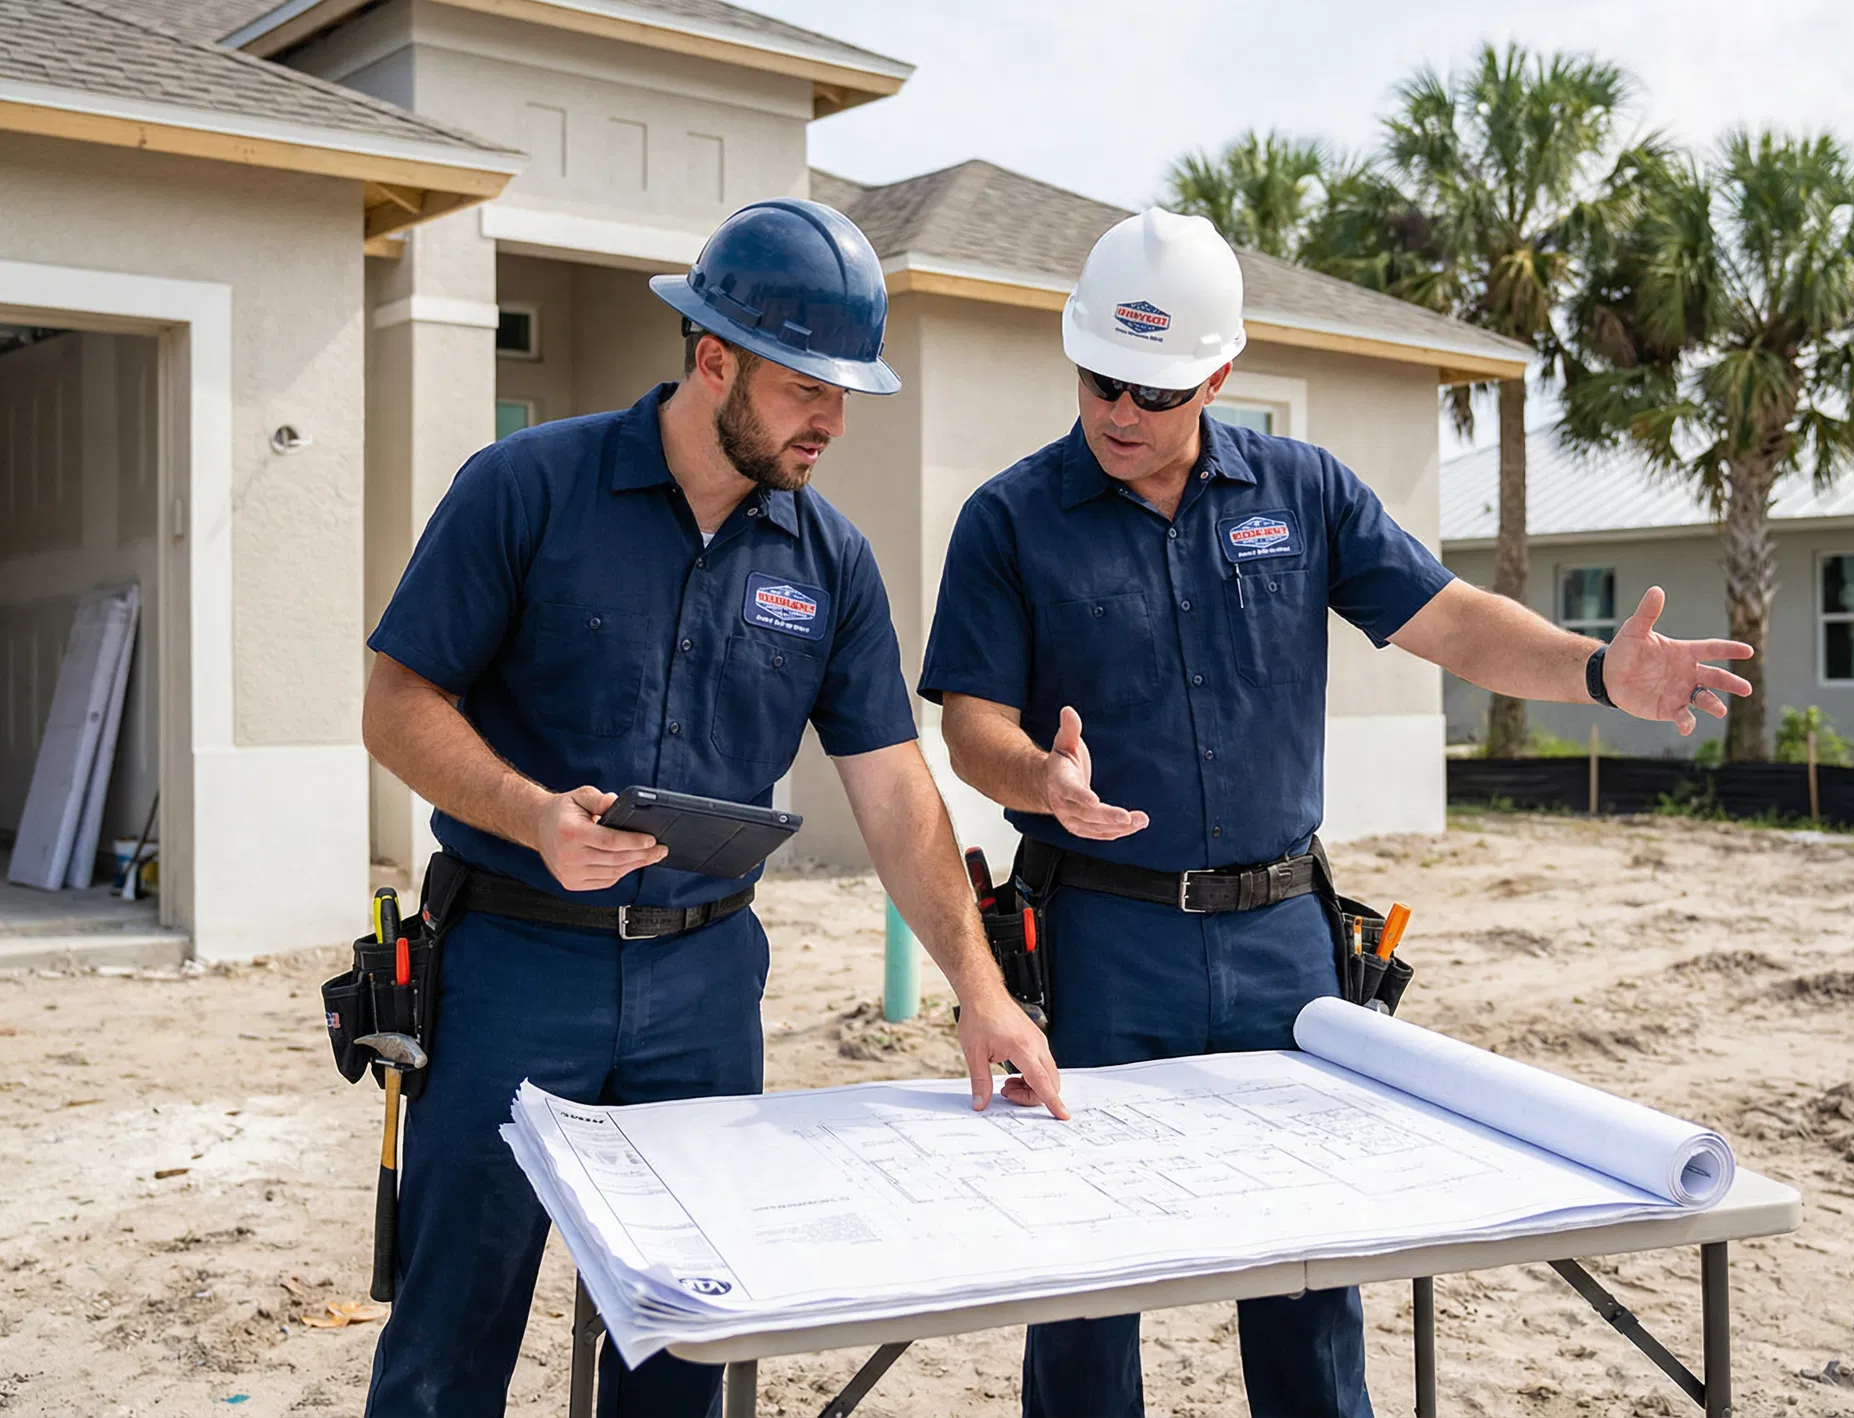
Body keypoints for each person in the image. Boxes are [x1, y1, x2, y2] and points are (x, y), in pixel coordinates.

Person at [918, 207, 1752, 1418]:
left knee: (1314, 1279)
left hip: (1282, 948)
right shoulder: (1010, 517)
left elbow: (1451, 619)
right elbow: (969, 726)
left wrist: (1596, 672)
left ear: (1218, 372)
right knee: (1086, 1282)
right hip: (1099, 942)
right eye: (1100, 378)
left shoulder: (1303, 493)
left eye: (1153, 391)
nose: (1118, 412)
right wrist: (1038, 781)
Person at [359, 197, 1064, 1418]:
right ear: (713, 358)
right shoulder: (527, 488)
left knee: (687, 1341)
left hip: (704, 988)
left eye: (847, 394)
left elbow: (896, 791)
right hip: (511, 968)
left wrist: (984, 992)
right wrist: (536, 817)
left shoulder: (829, 562)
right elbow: (398, 703)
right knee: (452, 1334)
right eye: (807, 389)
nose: (831, 422)